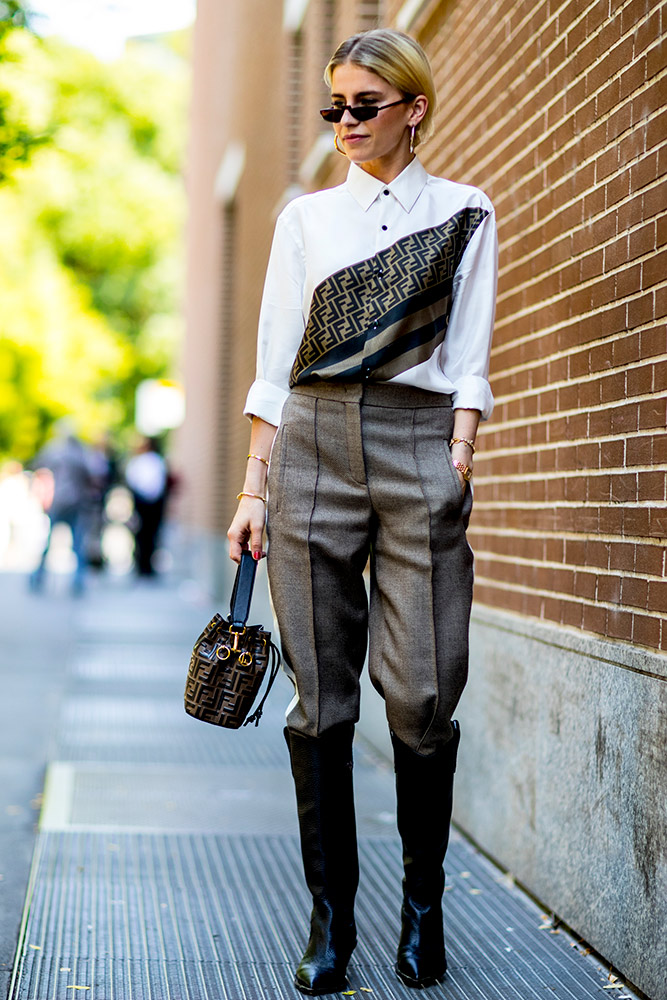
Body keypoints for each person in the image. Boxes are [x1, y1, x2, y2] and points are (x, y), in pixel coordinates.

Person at [227, 28, 497, 996]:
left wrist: (457, 457)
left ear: (412, 107)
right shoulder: (305, 220)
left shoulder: (466, 211)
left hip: (421, 443)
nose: (343, 122)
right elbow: (271, 360)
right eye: (332, 106)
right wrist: (254, 486)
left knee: (423, 696)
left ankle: (422, 903)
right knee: (321, 703)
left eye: (362, 106)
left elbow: (469, 355)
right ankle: (330, 917)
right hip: (310, 447)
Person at [29, 421, 95, 595]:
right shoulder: (80, 452)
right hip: (76, 501)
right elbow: (92, 475)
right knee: (77, 544)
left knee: (49, 541)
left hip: (58, 501)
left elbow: (38, 466)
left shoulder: (53, 449)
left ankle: (37, 577)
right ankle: (77, 581)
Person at [125, 436, 168, 577]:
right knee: (142, 535)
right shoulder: (139, 462)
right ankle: (141, 566)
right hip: (142, 502)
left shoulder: (155, 461)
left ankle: (148, 566)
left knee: (151, 535)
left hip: (153, 503)